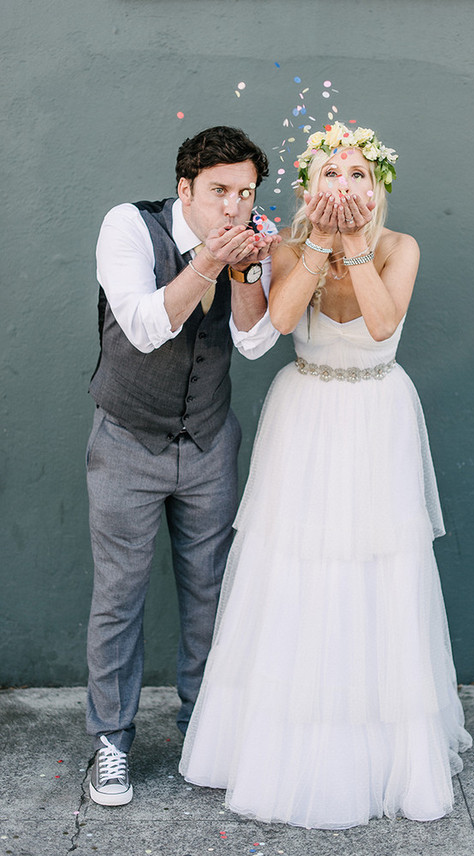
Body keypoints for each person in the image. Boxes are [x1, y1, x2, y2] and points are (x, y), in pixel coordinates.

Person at [179, 121, 472, 828]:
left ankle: (376, 741)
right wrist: (316, 244)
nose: (346, 185)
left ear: (378, 187)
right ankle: (287, 739)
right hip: (307, 412)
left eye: (358, 175)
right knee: (298, 565)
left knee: (377, 565)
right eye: (331, 174)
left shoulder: (402, 248)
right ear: (311, 187)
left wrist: (356, 248)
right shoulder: (287, 244)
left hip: (378, 411)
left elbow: (379, 325)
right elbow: (277, 321)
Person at [86, 126, 281, 806]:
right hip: (127, 440)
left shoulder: (250, 239)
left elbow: (254, 342)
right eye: (221, 192)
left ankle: (204, 727)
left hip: (207, 440)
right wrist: (204, 265)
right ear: (186, 188)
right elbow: (142, 326)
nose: (235, 207)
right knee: (119, 596)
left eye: (246, 193)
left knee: (211, 593)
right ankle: (111, 741)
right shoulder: (129, 227)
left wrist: (249, 272)